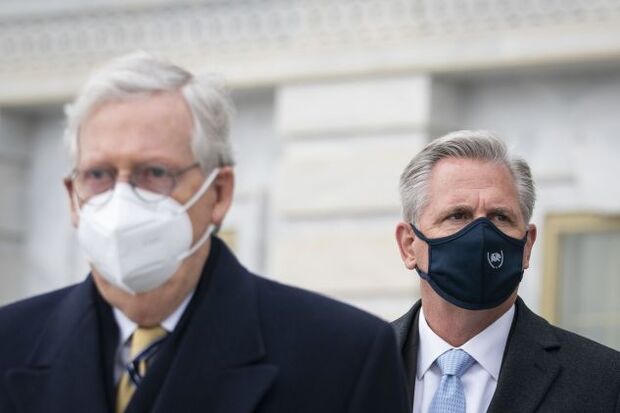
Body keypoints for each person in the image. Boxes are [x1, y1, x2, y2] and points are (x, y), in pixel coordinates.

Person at [0, 52, 409, 413]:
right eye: (99, 175)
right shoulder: (10, 343)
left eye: (154, 173)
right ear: (72, 194)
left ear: (218, 193)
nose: (121, 199)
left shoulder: (341, 356)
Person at [393, 131, 620, 412]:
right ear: (408, 245)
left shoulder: (604, 383)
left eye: (500, 217)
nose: (481, 235)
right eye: (458, 215)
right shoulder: (350, 366)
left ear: (527, 245)